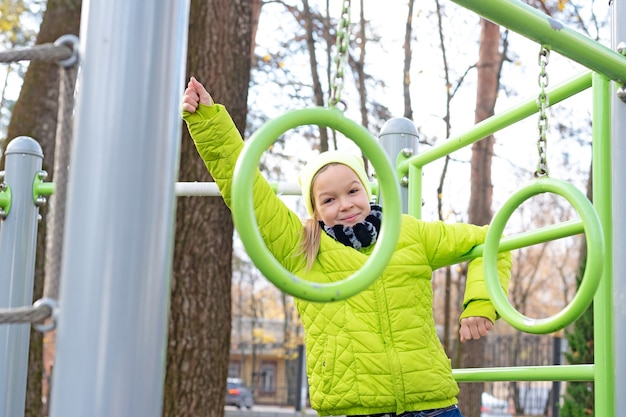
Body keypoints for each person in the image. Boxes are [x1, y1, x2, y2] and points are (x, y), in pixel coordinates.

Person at [182, 77, 512, 417]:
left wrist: (481, 302)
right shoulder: (304, 248)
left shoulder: (407, 233)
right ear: (315, 209)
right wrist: (210, 122)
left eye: (353, 191)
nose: (345, 204)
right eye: (329, 199)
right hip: (354, 408)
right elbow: (250, 193)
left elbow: (491, 239)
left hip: (431, 404)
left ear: (367, 190)